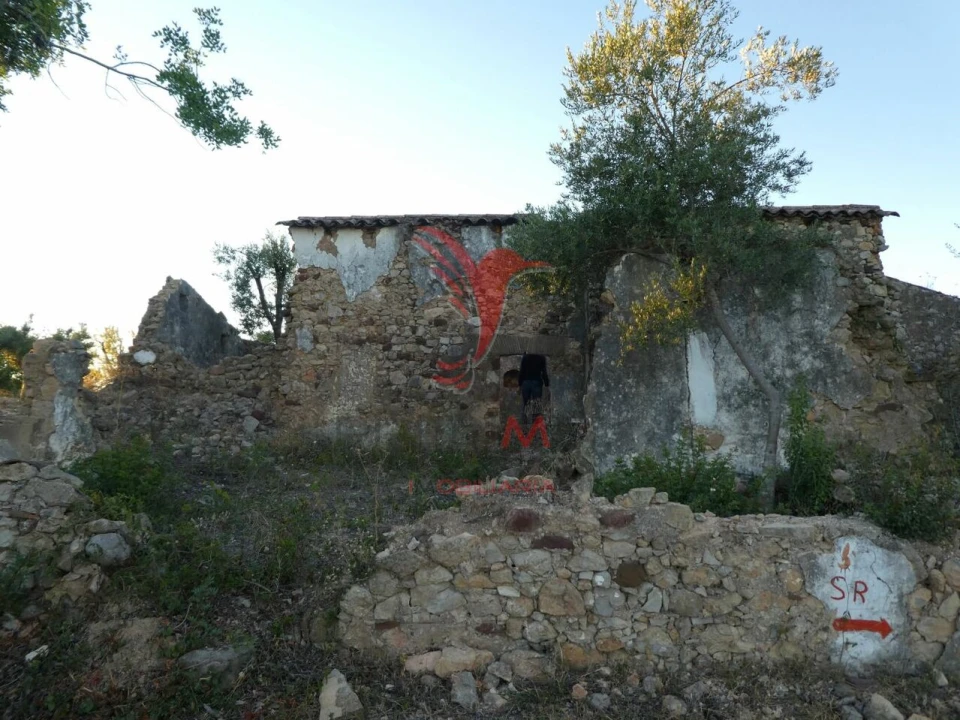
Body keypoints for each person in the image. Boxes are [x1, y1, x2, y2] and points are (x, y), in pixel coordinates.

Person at [517, 353, 549, 420]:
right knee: (536, 405)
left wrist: (520, 384)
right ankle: (535, 425)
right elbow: (544, 372)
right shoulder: (541, 357)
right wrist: (546, 384)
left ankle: (524, 425)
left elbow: (522, 371)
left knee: (526, 404)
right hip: (536, 382)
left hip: (526, 382)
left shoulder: (525, 357)